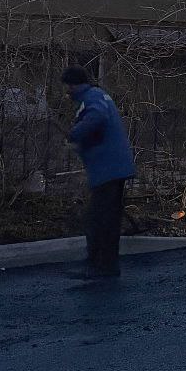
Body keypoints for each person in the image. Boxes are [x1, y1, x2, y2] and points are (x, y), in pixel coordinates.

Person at [61, 66, 136, 280]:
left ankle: (98, 265)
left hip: (108, 169)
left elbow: (96, 119)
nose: (66, 92)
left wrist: (74, 135)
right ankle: (106, 264)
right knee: (107, 219)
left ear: (73, 85)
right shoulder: (99, 95)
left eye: (67, 86)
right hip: (114, 168)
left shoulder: (90, 99)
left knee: (98, 219)